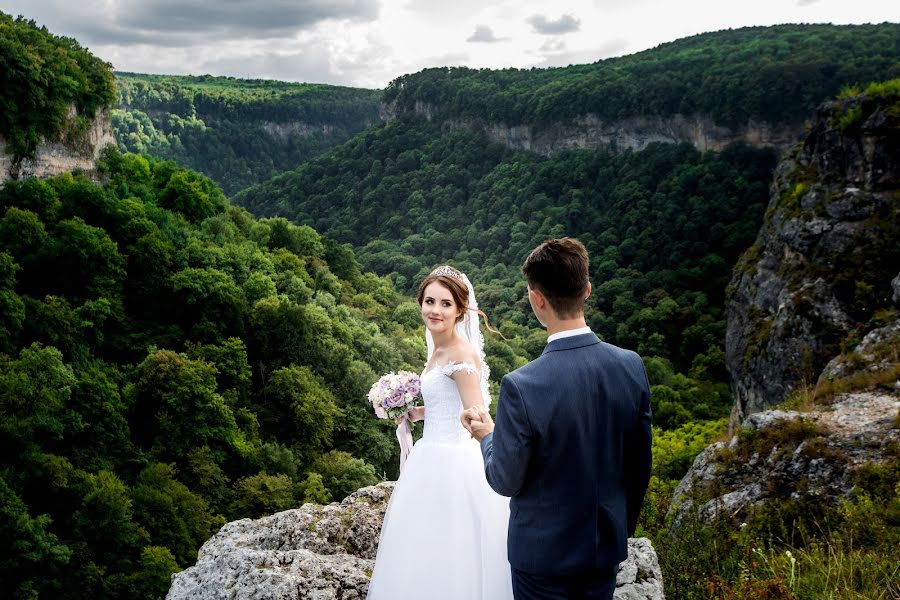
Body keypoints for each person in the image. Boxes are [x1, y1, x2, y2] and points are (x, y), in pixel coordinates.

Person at [461, 238, 652, 600]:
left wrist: (488, 436)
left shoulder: (523, 385)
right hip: (604, 549)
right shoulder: (631, 366)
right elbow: (640, 466)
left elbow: (505, 478)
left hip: (542, 558)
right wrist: (618, 528)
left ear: (537, 299)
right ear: (588, 289)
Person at [366, 265, 513, 600]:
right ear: (420, 303)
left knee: (449, 553)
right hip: (427, 456)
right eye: (429, 301)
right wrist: (416, 412)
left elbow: (476, 416)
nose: (435, 310)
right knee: (421, 550)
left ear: (460, 310)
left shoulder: (461, 353)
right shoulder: (436, 351)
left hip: (452, 466)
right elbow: (450, 405)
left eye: (445, 304)